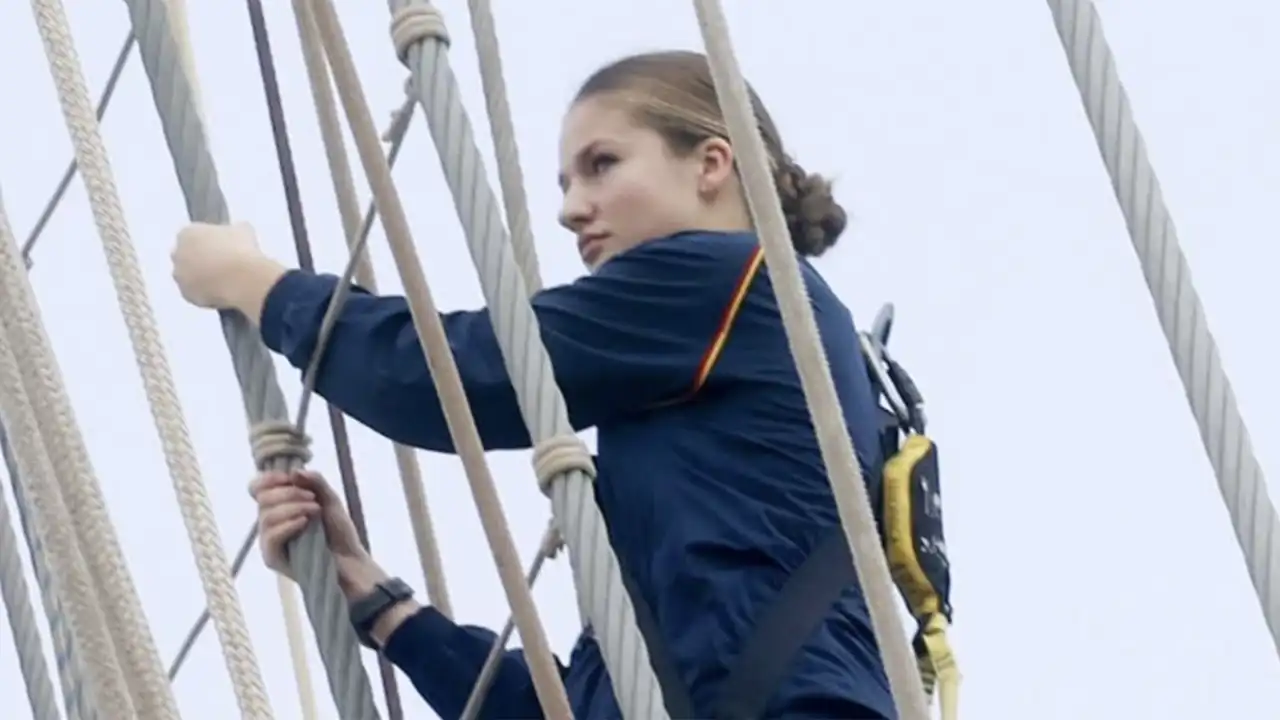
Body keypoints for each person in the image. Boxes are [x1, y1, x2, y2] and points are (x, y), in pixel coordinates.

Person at [173, 50, 897, 719]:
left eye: (602, 164)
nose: (571, 207)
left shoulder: (730, 280)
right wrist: (379, 602)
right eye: (565, 182)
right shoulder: (744, 372)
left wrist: (257, 285)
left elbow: (456, 377)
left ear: (711, 163)